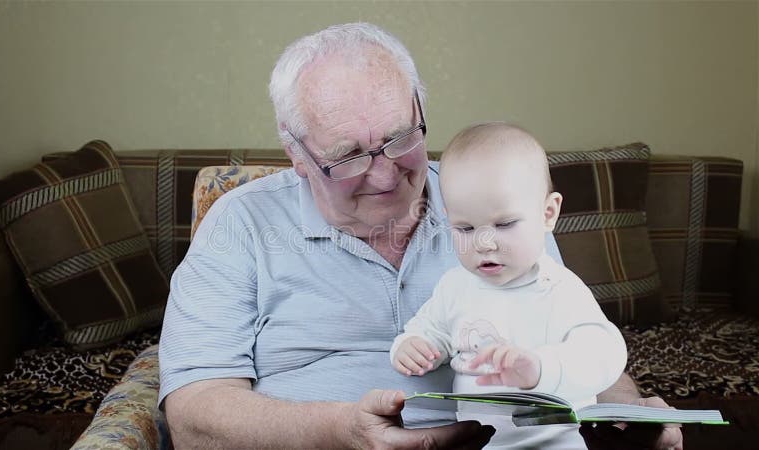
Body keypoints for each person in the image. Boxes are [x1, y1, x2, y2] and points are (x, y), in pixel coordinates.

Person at [159, 22, 682, 449]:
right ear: (296, 153)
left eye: (400, 138)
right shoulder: (240, 225)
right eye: (347, 156)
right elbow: (193, 415)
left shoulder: (497, 207)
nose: (386, 175)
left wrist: (626, 408)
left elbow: (569, 330)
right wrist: (337, 433)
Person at [390, 123, 628, 448]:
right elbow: (430, 329)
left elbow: (605, 353)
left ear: (548, 213)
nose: (484, 243)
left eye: (504, 224)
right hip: (483, 442)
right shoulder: (456, 286)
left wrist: (543, 368)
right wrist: (412, 344)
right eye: (465, 228)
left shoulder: (557, 289)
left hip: (555, 442)